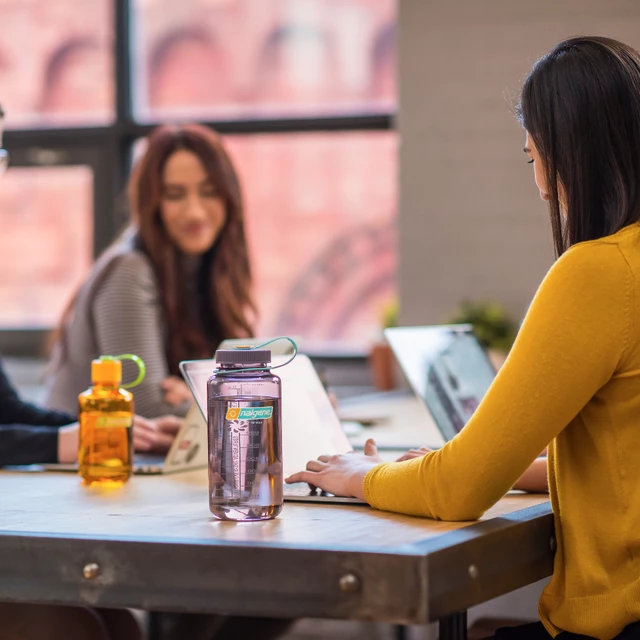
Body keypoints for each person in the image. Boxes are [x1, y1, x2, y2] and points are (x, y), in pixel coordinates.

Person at [287, 36, 640, 639]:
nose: (543, 187)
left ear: (565, 155)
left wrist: (356, 476)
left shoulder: (601, 272)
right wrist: (501, 464)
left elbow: (458, 492)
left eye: (535, 159)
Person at [45, 123, 256, 418]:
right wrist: (226, 400)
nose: (194, 211)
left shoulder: (211, 271)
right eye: (175, 195)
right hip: (95, 458)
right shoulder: (129, 271)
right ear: (152, 204)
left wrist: (198, 394)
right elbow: (148, 407)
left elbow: (239, 383)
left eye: (209, 192)